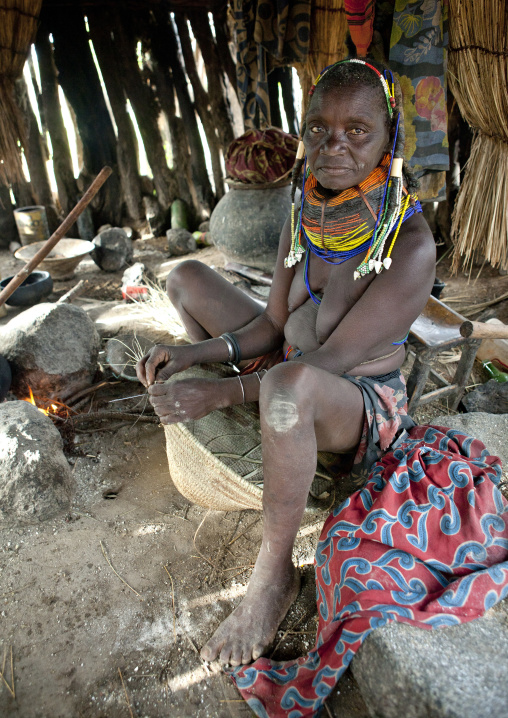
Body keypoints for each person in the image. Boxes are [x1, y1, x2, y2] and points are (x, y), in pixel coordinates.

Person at [136, 58, 436, 668]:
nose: (335, 145)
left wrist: (224, 393)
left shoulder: (408, 245)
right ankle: (255, 418)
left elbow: (328, 360)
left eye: (358, 130)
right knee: (188, 276)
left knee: (289, 383)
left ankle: (272, 575)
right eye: (319, 128)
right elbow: (272, 326)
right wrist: (192, 354)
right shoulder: (303, 213)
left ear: (389, 139)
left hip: (353, 404)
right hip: (286, 365)